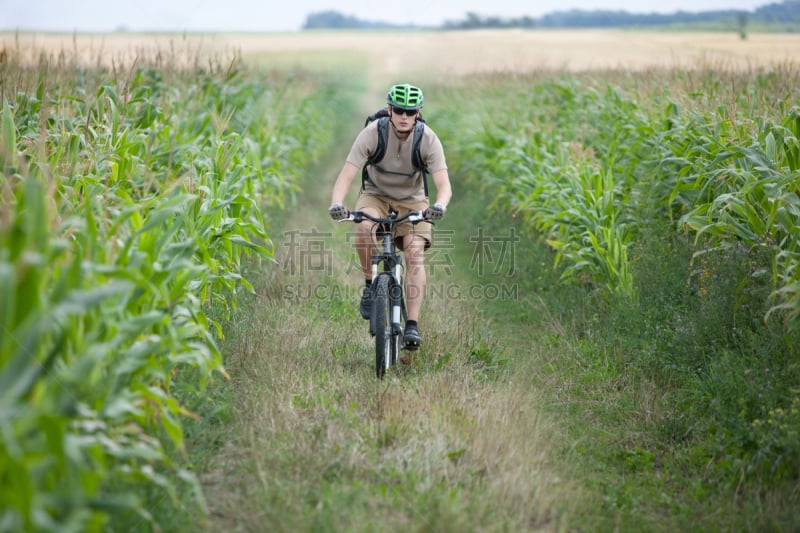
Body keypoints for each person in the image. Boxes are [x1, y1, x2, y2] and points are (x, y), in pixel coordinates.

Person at [328, 83, 452, 354]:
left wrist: (439, 206)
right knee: (363, 227)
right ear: (389, 110)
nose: (404, 116)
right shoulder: (372, 133)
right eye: (399, 110)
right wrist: (337, 203)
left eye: (410, 111)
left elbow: (444, 185)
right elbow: (347, 174)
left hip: (413, 201)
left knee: (414, 252)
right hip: (376, 195)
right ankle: (370, 286)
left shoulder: (428, 139)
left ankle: (412, 325)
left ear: (418, 113)